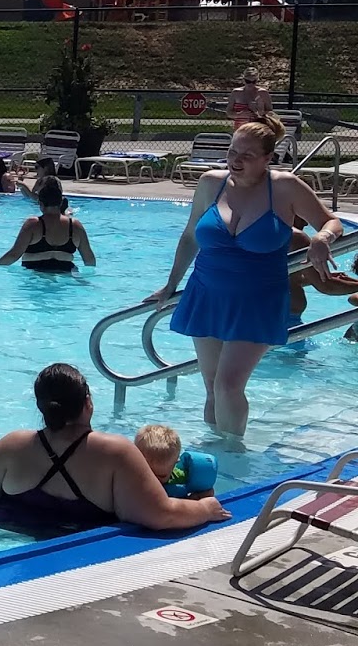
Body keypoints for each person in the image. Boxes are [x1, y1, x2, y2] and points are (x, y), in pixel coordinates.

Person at [146, 115, 344, 437]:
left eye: (247, 155)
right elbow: (191, 236)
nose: (236, 160)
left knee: (228, 385)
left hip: (258, 300)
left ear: (268, 158)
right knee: (212, 385)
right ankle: (215, 451)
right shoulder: (211, 183)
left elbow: (331, 221)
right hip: (207, 294)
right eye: (232, 152)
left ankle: (234, 452)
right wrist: (171, 284)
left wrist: (322, 238)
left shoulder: (285, 187)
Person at [0, 363, 228, 536]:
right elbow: (160, 516)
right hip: (85, 556)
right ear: (88, 402)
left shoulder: (14, 444)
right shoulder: (115, 452)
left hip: (13, 538)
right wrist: (205, 509)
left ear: (42, 407)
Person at [0, 179, 97, 273]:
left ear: (40, 203)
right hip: (66, 275)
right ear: (61, 203)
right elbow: (89, 259)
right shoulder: (75, 225)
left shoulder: (33, 224)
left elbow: (14, 255)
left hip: (35, 276)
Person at [288, 218, 358, 319]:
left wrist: (314, 277)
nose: (306, 223)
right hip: (284, 319)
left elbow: (287, 279)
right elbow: (327, 286)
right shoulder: (296, 237)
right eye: (302, 216)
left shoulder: (270, 235)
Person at [133, 424, 218, 500]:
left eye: (161, 476)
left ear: (175, 464)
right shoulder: (130, 479)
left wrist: (196, 497)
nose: (154, 481)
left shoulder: (181, 477)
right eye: (148, 474)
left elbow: (208, 492)